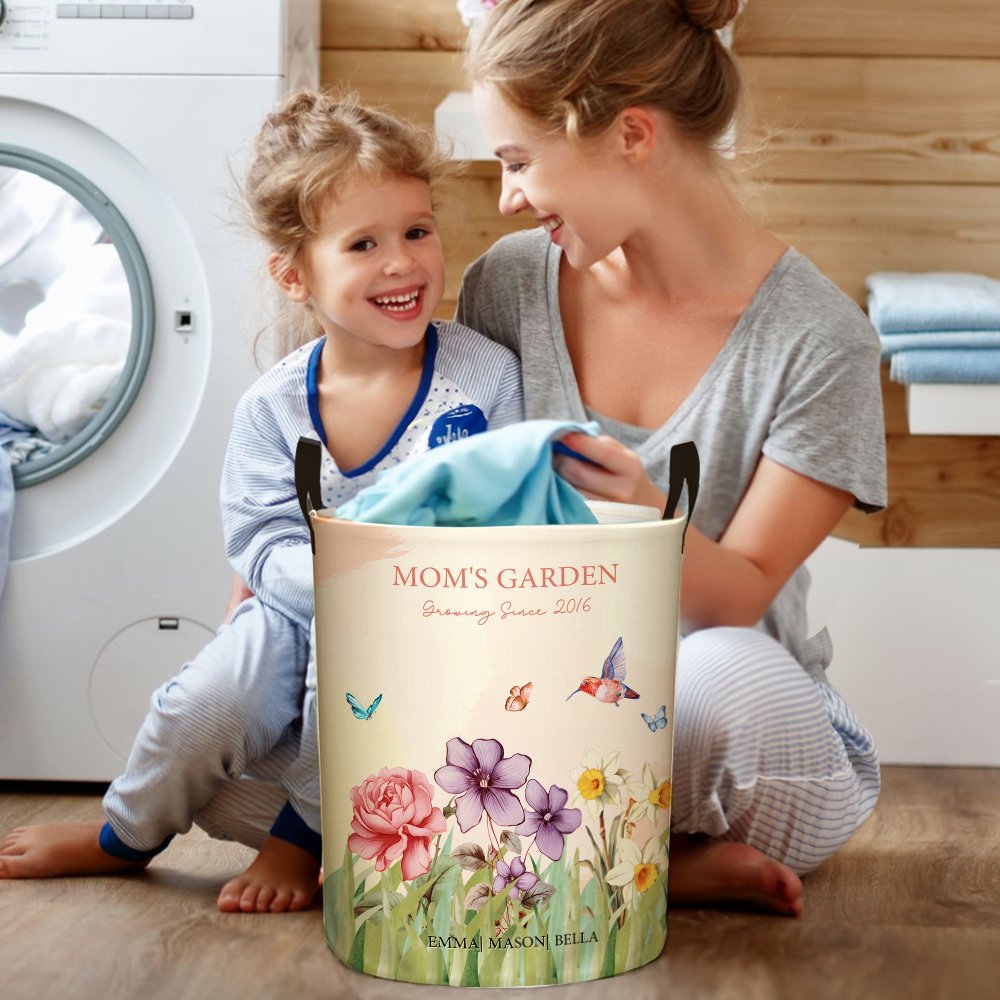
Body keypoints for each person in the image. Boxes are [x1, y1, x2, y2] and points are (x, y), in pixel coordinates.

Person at [0, 90, 523, 913]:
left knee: (357, 672)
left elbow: (511, 509)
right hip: (293, 605)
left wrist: (382, 590)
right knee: (204, 704)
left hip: (432, 621)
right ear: (294, 275)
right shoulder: (273, 407)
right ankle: (124, 834)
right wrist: (333, 583)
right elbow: (259, 539)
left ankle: (301, 837)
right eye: (364, 244)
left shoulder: (484, 375)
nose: (402, 262)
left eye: (417, 231)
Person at [457, 0, 887, 916]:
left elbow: (737, 602)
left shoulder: (819, 341)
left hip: (738, 737)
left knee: (713, 679)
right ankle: (645, 866)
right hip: (539, 708)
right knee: (262, 735)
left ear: (632, 135)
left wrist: (648, 518)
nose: (507, 198)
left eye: (520, 161)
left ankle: (544, 856)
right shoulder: (505, 285)